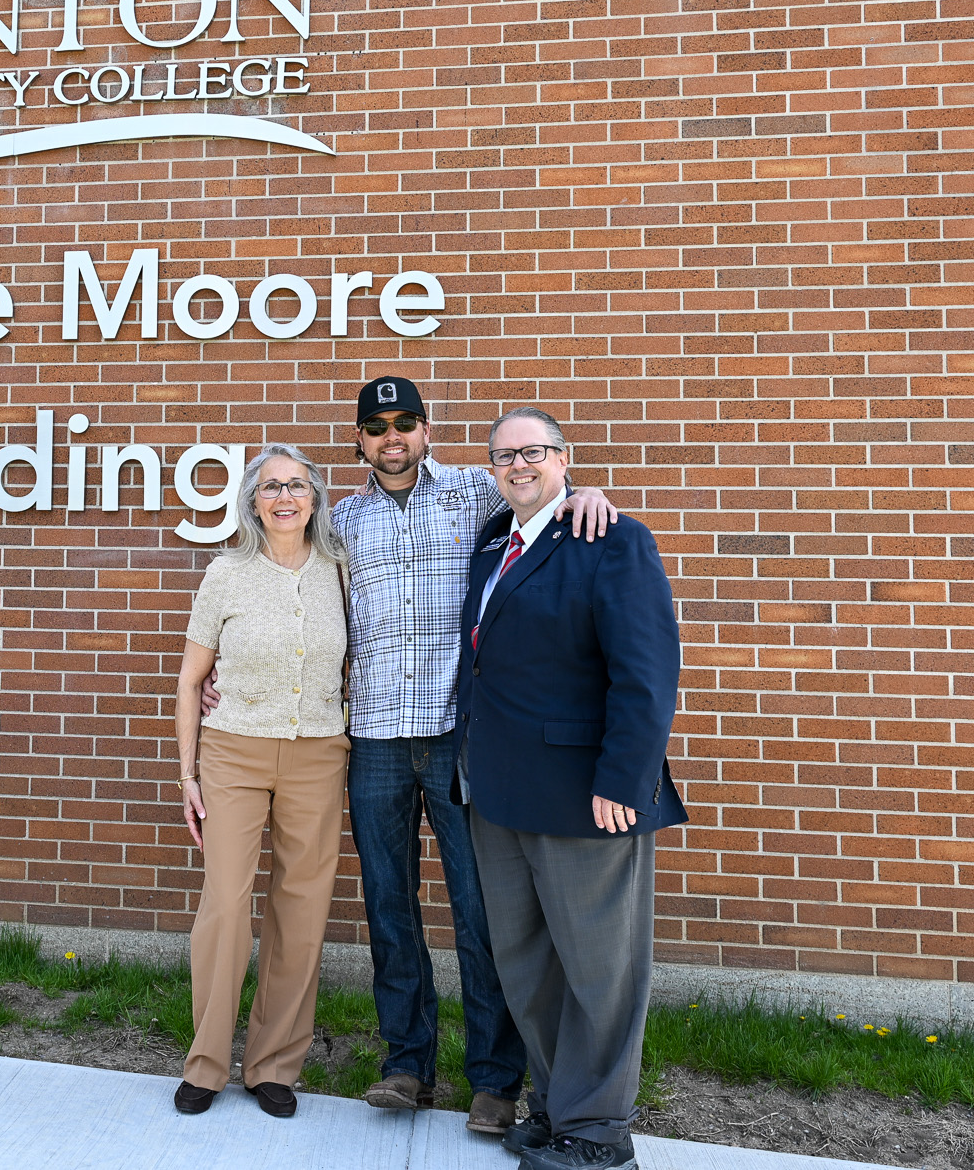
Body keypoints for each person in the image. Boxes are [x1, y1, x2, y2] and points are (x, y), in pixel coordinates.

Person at [324, 376, 615, 1131]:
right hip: (377, 737)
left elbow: (538, 502)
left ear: (427, 429)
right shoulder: (342, 519)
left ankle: (494, 1078)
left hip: (461, 735)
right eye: (377, 426)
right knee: (390, 906)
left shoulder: (473, 493)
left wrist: (583, 494)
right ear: (359, 439)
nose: (393, 437)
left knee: (480, 911)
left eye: (406, 422)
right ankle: (405, 1062)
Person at [455, 407, 686, 1170]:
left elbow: (646, 675)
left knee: (599, 970)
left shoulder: (614, 538)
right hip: (500, 795)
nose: (518, 465)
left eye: (534, 451)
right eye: (504, 455)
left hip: (589, 796)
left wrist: (626, 777)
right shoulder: (494, 545)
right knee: (528, 963)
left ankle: (600, 1132)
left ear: (565, 459)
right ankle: (557, 1106)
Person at [170, 444, 350, 1120]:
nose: (284, 497)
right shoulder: (226, 571)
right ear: (252, 500)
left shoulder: (340, 568)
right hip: (234, 753)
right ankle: (207, 1061)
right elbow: (190, 681)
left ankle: (273, 1064)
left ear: (314, 498)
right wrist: (187, 772)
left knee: (301, 908)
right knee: (225, 902)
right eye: (270, 486)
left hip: (318, 753)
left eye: (296, 486)